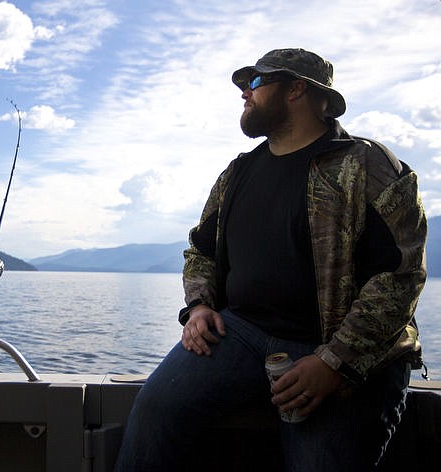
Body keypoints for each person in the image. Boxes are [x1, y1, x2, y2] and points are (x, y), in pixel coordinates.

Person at [113, 48, 427, 471]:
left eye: (256, 82)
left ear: (297, 89)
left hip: (338, 348)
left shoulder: (370, 165)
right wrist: (200, 307)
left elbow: (400, 276)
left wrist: (334, 363)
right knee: (154, 411)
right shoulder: (237, 173)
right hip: (240, 333)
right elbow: (200, 248)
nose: (244, 92)